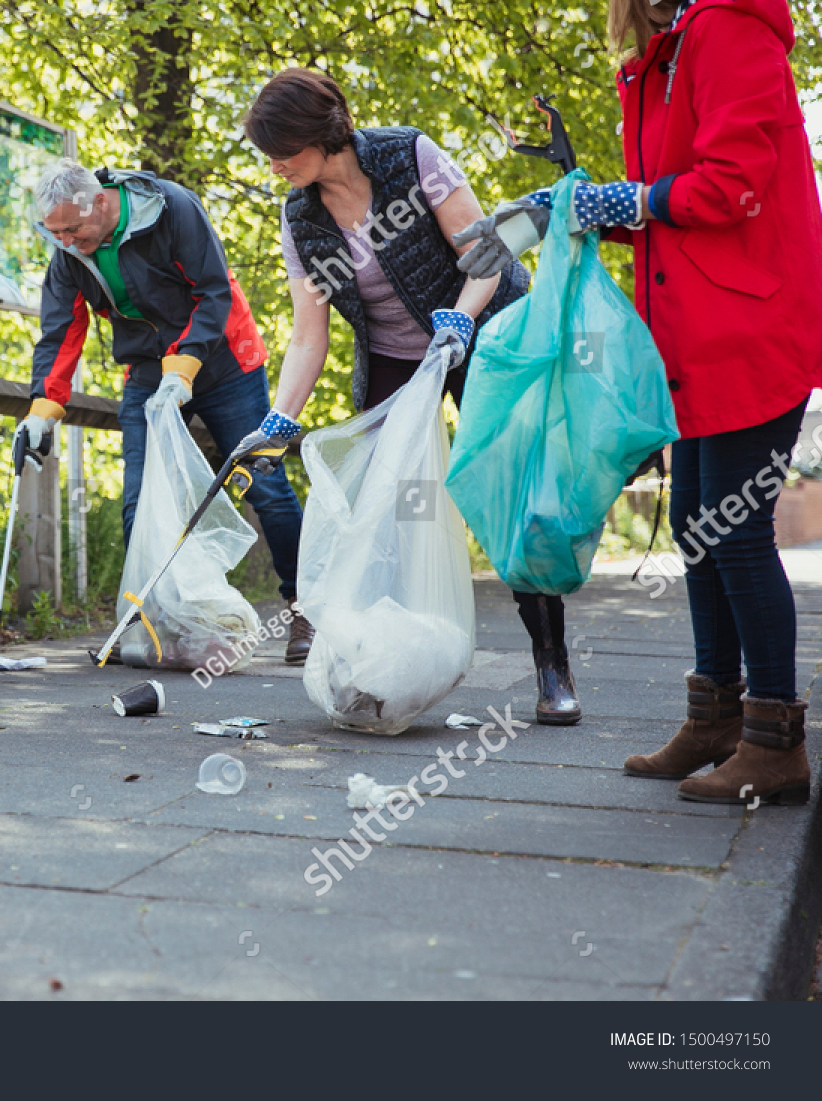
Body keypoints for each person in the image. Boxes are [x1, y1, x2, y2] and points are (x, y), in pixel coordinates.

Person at [454, 0, 822, 803]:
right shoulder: (668, 50)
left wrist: (611, 202)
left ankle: (774, 744)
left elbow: (728, 187)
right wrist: (555, 211)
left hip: (752, 327)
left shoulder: (726, 29)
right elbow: (668, 207)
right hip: (696, 336)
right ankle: (717, 718)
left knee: (735, 529)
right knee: (698, 525)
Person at [225, 69, 582, 725]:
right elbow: (309, 337)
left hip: (483, 334)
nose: (274, 167)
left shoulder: (407, 155)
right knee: (391, 512)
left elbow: (491, 250)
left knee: (511, 503)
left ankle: (552, 665)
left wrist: (459, 321)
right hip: (395, 362)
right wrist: (280, 417)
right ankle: (389, 664)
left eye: (283, 152)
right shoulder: (301, 216)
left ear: (320, 135)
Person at [20, 158, 313, 665]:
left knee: (264, 484)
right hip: (147, 371)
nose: (65, 241)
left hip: (225, 361)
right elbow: (61, 329)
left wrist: (185, 369)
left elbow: (212, 292)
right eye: (55, 232)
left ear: (101, 203)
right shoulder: (68, 251)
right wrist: (44, 408)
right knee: (139, 499)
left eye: (72, 229)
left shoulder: (172, 208)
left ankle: (305, 611)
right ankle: (151, 621)